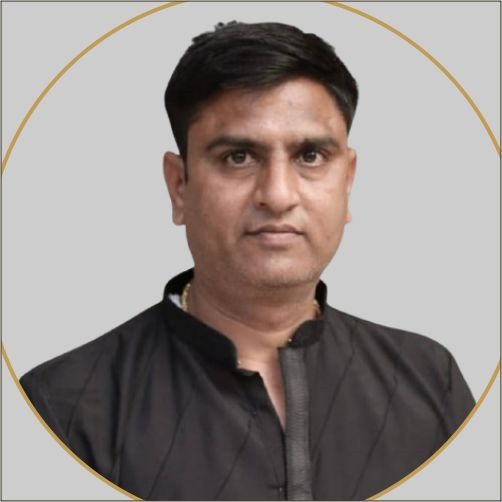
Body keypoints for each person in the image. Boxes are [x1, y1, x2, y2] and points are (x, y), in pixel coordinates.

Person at [20, 21, 474, 501]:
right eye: (238, 157)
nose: (277, 195)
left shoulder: (430, 383)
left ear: (347, 180)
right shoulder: (61, 411)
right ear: (179, 186)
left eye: (311, 155)